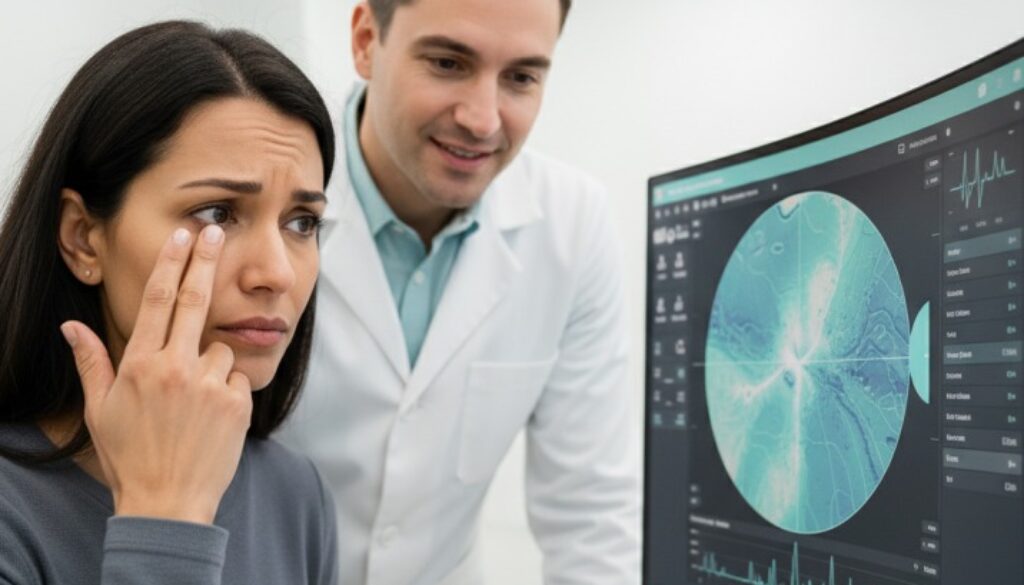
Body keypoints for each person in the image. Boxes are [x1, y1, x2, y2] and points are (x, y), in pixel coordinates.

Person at [276, 0, 640, 583]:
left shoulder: (573, 222)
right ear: (368, 40)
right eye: (448, 63)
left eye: (520, 77)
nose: (483, 119)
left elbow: (591, 516)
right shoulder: (267, 194)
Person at [0, 21, 338, 585]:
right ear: (83, 236)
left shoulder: (296, 495)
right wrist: (164, 516)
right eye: (216, 214)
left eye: (302, 222)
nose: (277, 272)